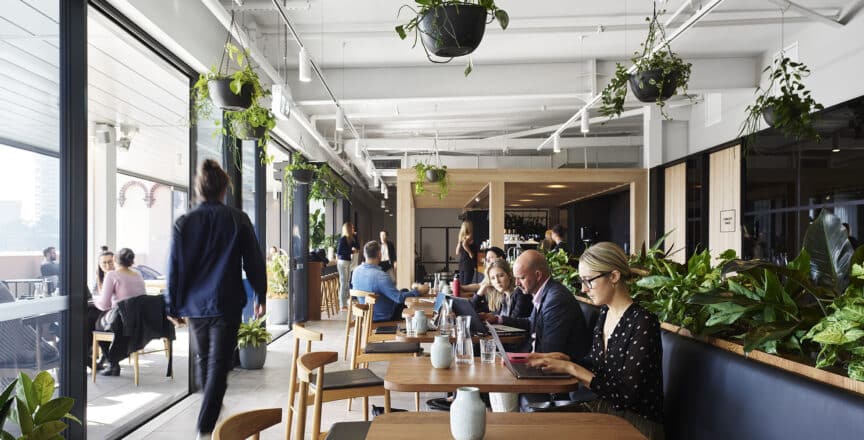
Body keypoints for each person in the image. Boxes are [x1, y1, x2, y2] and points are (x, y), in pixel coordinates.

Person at [165, 159, 267, 440]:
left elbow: (174, 267)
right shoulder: (237, 219)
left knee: (206, 359)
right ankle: (205, 428)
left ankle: (212, 407)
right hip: (226, 302)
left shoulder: (183, 223)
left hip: (195, 305)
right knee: (218, 365)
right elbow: (254, 262)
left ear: (199, 190)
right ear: (225, 190)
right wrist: (260, 294)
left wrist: (171, 305)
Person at [528, 242, 664, 439]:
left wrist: (571, 368)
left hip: (637, 423)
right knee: (534, 424)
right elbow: (598, 365)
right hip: (605, 411)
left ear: (614, 276)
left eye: (588, 280)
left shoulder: (643, 322)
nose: (584, 289)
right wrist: (566, 359)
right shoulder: (605, 313)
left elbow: (626, 396)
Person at [485, 250, 590, 362]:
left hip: (553, 371)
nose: (516, 283)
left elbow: (548, 353)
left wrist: (518, 359)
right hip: (537, 360)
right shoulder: (545, 292)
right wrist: (498, 319)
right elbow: (531, 322)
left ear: (538, 275)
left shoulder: (556, 300)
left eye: (521, 278)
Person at [93, 247, 147, 376]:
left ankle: (112, 364)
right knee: (101, 321)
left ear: (115, 261)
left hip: (121, 321)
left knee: (96, 327)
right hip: (141, 320)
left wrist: (94, 300)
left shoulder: (112, 275)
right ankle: (108, 359)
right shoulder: (137, 274)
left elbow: (104, 304)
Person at [352, 241, 429, 322]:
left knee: (404, 291)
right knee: (406, 299)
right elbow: (399, 298)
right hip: (384, 317)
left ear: (365, 254)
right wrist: (418, 291)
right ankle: (419, 325)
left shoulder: (356, 271)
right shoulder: (380, 276)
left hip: (365, 315)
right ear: (379, 254)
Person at [87, 246, 115, 369]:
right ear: (99, 265)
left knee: (89, 320)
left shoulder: (118, 276)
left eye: (110, 262)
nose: (107, 265)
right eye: (104, 263)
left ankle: (100, 356)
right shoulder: (100, 278)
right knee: (88, 318)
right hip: (102, 310)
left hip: (114, 314)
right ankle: (100, 356)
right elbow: (95, 294)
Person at [336, 222, 359, 311]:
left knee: (346, 283)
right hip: (342, 262)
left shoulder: (350, 239)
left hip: (347, 262)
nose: (353, 229)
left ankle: (344, 303)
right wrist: (351, 251)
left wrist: (355, 237)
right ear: (349, 229)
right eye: (352, 228)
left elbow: (357, 247)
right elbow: (339, 252)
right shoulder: (343, 239)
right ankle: (342, 305)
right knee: (343, 284)